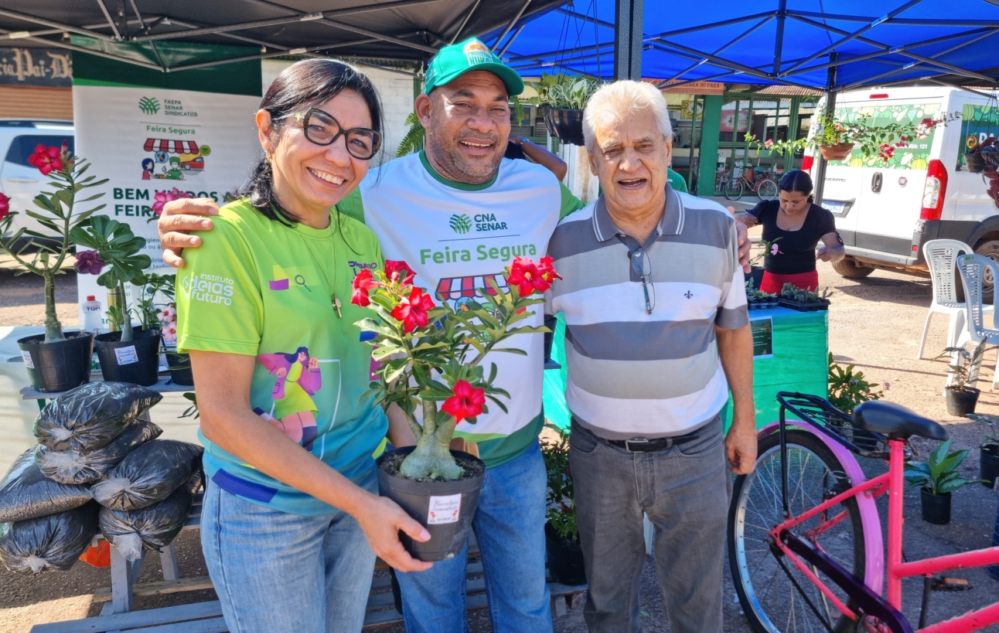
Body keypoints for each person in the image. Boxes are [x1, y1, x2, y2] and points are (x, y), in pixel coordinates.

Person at [157, 41, 752, 633]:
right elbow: (294, 206)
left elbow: (623, 211)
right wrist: (202, 223)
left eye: (498, 109)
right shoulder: (372, 192)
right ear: (424, 111)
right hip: (417, 459)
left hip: (514, 453)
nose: (482, 123)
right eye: (462, 104)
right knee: (433, 611)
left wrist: (725, 222)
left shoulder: (541, 191)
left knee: (526, 608)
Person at [174, 59, 432, 633]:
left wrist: (419, 458)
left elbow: (377, 370)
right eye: (319, 128)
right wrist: (364, 505)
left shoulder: (362, 240)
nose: (340, 157)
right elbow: (222, 417)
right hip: (267, 510)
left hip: (357, 493)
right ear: (267, 130)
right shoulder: (225, 241)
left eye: (360, 141)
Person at [545, 80, 757, 633]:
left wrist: (746, 424)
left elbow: (733, 330)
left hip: (695, 452)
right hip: (600, 457)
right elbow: (529, 336)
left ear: (667, 148)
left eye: (644, 145)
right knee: (608, 602)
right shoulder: (561, 243)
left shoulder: (717, 229)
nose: (629, 163)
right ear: (592, 161)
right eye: (612, 149)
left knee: (697, 602)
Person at [735, 169, 844, 294]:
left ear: (808, 196)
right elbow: (737, 223)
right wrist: (736, 219)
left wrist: (831, 254)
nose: (789, 206)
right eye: (784, 200)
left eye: (796, 202)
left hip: (804, 285)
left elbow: (839, 250)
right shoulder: (768, 209)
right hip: (770, 282)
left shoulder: (819, 216)